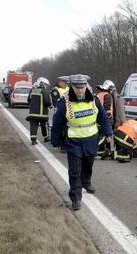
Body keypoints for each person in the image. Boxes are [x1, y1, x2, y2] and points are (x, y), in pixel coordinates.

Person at [51, 74, 113, 211]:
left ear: (86, 86)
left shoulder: (94, 100)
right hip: (73, 142)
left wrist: (108, 133)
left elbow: (103, 117)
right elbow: (57, 123)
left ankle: (86, 182)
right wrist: (55, 140)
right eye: (77, 87)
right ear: (71, 87)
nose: (80, 90)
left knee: (88, 164)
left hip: (91, 140)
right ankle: (76, 197)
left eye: (82, 87)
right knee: (74, 170)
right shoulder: (64, 102)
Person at [26, 77, 52, 145]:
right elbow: (47, 102)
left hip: (32, 114)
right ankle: (46, 138)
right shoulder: (44, 91)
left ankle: (33, 140)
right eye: (45, 84)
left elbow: (28, 100)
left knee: (33, 126)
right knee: (44, 126)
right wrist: (50, 105)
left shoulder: (32, 90)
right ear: (42, 83)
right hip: (42, 114)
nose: (46, 86)